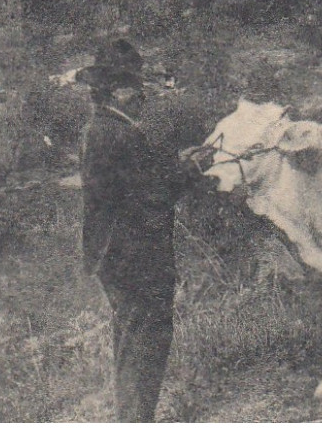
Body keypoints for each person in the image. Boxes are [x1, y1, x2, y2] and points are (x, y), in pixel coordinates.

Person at [78, 38, 187, 422]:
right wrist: (189, 170)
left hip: (112, 256)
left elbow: (131, 186)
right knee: (147, 340)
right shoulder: (121, 134)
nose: (141, 95)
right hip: (137, 257)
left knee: (129, 339)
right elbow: (154, 194)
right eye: (134, 87)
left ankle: (131, 419)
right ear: (115, 91)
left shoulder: (100, 129)